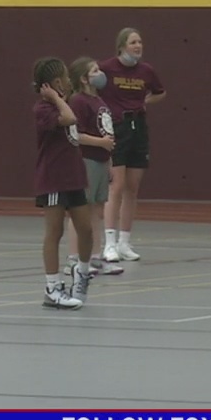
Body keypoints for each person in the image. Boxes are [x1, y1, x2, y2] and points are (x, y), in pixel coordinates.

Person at [97, 28, 166, 263]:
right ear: (121, 46)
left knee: (132, 187)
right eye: (133, 42)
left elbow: (160, 92)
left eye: (140, 42)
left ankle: (124, 242)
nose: (138, 46)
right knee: (116, 185)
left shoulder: (146, 71)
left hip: (138, 127)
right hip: (117, 128)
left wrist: (146, 101)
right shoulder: (106, 68)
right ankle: (109, 243)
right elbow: (89, 85)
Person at [32, 58, 92, 309]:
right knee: (54, 232)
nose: (69, 81)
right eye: (66, 77)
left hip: (74, 176)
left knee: (86, 229)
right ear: (57, 82)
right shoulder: (43, 109)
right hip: (54, 179)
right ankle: (53, 288)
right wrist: (57, 99)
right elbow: (69, 118)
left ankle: (82, 271)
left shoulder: (66, 102)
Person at [62, 56, 122, 277]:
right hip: (85, 160)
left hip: (101, 160)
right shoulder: (78, 101)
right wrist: (100, 143)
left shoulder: (99, 101)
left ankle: (95, 256)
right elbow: (75, 134)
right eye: (95, 71)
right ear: (84, 78)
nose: (100, 74)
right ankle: (73, 259)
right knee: (80, 211)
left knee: (96, 210)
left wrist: (109, 159)